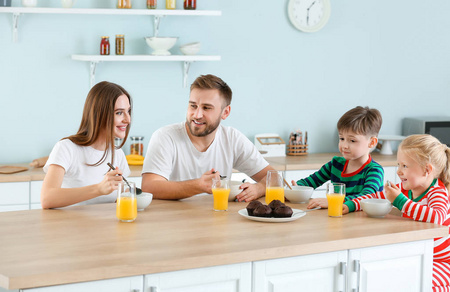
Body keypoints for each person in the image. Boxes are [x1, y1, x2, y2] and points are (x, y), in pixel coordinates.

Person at [344, 134, 450, 292]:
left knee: (417, 282)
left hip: (442, 262)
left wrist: (400, 200)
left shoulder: (437, 192)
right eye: (398, 164)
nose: (399, 171)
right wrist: (350, 205)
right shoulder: (407, 188)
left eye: (405, 166)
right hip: (422, 253)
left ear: (427, 170)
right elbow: (375, 196)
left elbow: (436, 218)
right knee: (398, 278)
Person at [141, 74, 274, 201]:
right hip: (174, 221)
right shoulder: (165, 137)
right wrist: (198, 186)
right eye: (193, 106)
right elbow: (149, 186)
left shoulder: (233, 139)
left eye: (206, 108)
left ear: (225, 112)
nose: (197, 115)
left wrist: (259, 188)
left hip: (218, 218)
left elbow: (274, 178)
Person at [41, 81, 132, 208]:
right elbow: (47, 198)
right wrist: (98, 189)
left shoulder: (118, 153)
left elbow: (119, 199)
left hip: (107, 227)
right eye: (119, 113)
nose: (127, 119)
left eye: (128, 111)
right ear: (99, 114)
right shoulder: (67, 148)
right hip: (69, 226)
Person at [291, 106, 384, 210]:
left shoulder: (374, 170)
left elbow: (367, 197)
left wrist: (333, 201)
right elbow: (310, 182)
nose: (344, 145)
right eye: (342, 138)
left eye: (352, 140)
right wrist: (295, 189)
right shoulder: (335, 164)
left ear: (372, 142)